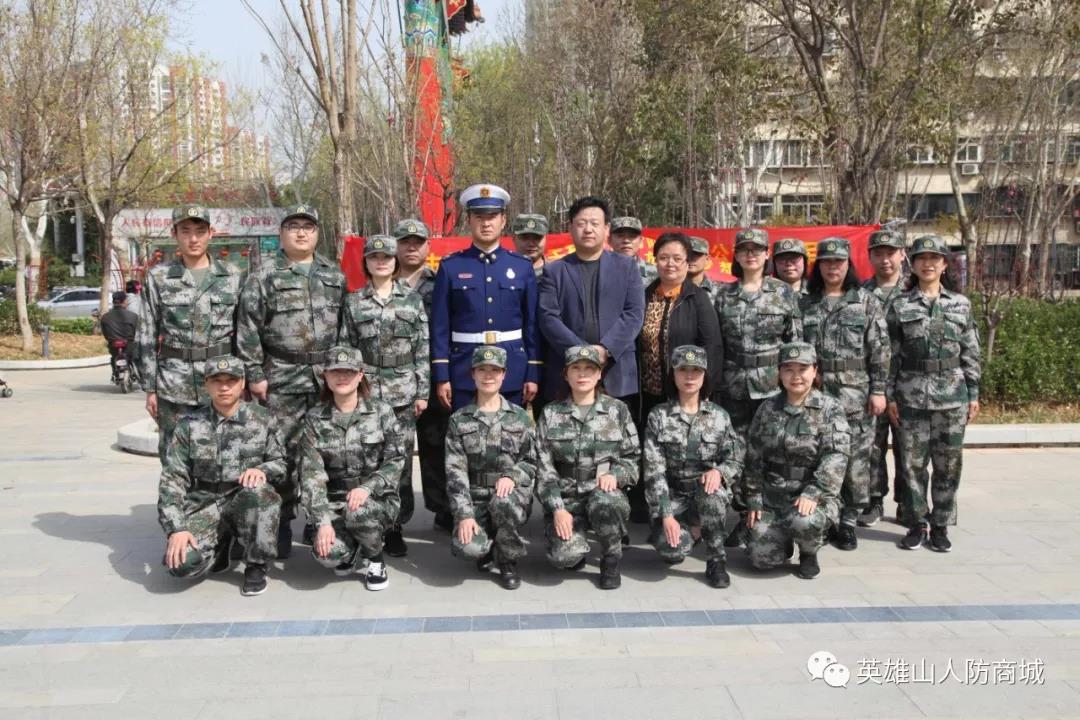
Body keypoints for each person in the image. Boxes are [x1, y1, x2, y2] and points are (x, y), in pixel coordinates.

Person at [235, 203, 347, 558]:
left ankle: (319, 519)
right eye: (294, 226)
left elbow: (345, 328)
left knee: (327, 452)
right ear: (281, 233)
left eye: (308, 227)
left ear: (317, 233)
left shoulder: (334, 275)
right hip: (282, 376)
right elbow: (248, 328)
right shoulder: (264, 275)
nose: (301, 232)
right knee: (281, 452)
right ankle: (281, 521)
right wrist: (254, 374)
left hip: (326, 379)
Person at [158, 355, 284, 596]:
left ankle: (256, 565)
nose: (224, 387)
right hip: (204, 502)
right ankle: (220, 545)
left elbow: (280, 463)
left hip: (243, 500)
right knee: (182, 565)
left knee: (260, 493)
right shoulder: (189, 425)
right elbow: (172, 478)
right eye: (217, 381)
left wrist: (262, 470)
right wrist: (176, 529)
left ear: (243, 383)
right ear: (206, 384)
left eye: (231, 380)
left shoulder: (263, 419)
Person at [886, 234, 980, 552]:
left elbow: (970, 351)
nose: (928, 264)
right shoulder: (900, 305)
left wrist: (973, 392)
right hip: (911, 396)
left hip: (952, 397)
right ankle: (917, 522)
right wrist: (889, 395)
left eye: (934, 258)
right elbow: (890, 355)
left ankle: (940, 523)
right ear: (913, 265)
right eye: (922, 258)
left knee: (948, 464)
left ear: (944, 265)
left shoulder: (960, 304)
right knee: (912, 464)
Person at [341, 234, 428, 557]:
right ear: (365, 262)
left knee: (399, 462)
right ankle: (365, 521)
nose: (381, 262)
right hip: (365, 392)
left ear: (395, 262)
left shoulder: (412, 300)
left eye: (387, 257)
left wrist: (422, 392)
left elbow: (423, 348)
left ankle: (394, 526)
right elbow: (347, 349)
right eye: (374, 257)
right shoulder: (354, 302)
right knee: (365, 458)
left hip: (402, 392)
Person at [800, 238, 889, 551]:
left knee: (856, 460)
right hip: (815, 395)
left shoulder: (865, 301)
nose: (832, 267)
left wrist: (879, 390)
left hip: (855, 395)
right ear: (818, 266)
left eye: (838, 262)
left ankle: (849, 521)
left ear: (848, 265)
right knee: (819, 457)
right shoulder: (807, 303)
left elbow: (880, 350)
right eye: (826, 262)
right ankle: (826, 518)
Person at [714, 227, 801, 547]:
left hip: (772, 386)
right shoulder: (723, 295)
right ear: (736, 256)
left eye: (757, 249)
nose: (751, 255)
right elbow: (716, 343)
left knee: (772, 451)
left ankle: (773, 513)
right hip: (734, 385)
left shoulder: (784, 293)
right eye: (744, 249)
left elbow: (796, 344)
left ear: (767, 255)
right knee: (737, 451)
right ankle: (743, 515)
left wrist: (794, 385)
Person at [137, 206, 243, 460]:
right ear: (174, 234)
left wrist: (244, 379)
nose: (193, 239)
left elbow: (244, 333)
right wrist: (150, 388)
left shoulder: (232, 275)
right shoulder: (158, 277)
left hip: (221, 381)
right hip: (174, 383)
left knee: (223, 454)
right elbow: (146, 333)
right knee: (175, 455)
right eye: (185, 231)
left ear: (211, 233)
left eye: (200, 231)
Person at [298, 346, 406, 591]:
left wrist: (368, 488)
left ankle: (376, 560)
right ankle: (351, 548)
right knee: (327, 555)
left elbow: (396, 460)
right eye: (335, 371)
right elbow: (311, 475)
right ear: (325, 376)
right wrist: (322, 522)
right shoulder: (315, 418)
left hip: (377, 499)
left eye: (348, 371)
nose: (342, 377)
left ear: (360, 375)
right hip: (335, 501)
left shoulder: (381, 412)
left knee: (357, 512)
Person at [535, 345, 640, 589]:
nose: (582, 374)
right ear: (566, 374)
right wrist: (557, 509)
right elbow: (543, 468)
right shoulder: (551, 413)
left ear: (599, 373)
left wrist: (616, 475)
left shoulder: (617, 410)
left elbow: (633, 457)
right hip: (567, 498)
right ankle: (576, 543)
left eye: (589, 368)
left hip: (602, 493)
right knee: (564, 557)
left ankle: (611, 558)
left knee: (608, 501)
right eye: (576, 368)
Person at [430, 183, 541, 412]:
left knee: (510, 431)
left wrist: (532, 370)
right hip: (464, 369)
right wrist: (442, 374)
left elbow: (532, 324)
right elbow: (440, 325)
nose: (486, 223)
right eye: (479, 217)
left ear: (503, 220)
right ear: (468, 220)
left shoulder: (521, 266)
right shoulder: (451, 266)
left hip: (511, 369)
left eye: (492, 216)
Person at [744, 342, 849, 579]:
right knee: (760, 558)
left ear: (815, 370)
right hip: (773, 496)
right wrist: (753, 498)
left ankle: (809, 551)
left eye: (802, 369)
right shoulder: (767, 408)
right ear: (779, 373)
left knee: (805, 521)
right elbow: (753, 457)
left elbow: (836, 456)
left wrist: (814, 491)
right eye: (788, 370)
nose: (796, 376)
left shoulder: (830, 408)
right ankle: (783, 543)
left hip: (811, 496)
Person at [643, 345, 744, 588]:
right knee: (672, 551)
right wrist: (666, 514)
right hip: (673, 496)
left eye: (696, 371)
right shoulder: (659, 416)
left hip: (705, 494)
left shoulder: (719, 416)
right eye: (683, 370)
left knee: (713, 493)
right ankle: (686, 530)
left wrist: (720, 471)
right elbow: (654, 471)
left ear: (704, 376)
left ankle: (716, 560)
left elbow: (735, 458)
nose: (689, 376)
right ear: (673, 375)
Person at [537, 197, 645, 408]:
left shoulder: (626, 267)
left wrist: (606, 349)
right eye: (581, 223)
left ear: (606, 229)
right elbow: (548, 317)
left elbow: (634, 313)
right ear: (570, 228)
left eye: (595, 223)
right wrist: (581, 354)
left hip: (616, 372)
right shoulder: (554, 270)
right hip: (568, 373)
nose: (588, 229)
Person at [444, 346, 537, 590]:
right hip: (475, 496)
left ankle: (508, 559)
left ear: (504, 374)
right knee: (467, 548)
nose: (488, 376)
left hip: (510, 496)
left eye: (494, 370)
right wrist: (464, 515)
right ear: (472, 374)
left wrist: (512, 476)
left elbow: (531, 460)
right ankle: (487, 545)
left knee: (503, 503)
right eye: (482, 370)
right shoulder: (459, 420)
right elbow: (455, 473)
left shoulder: (519, 417)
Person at [395, 218, 453, 532]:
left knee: (436, 444)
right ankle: (396, 514)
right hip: (394, 380)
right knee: (396, 450)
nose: (411, 247)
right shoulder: (383, 284)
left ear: (428, 246)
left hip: (433, 376)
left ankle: (441, 507)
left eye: (418, 242)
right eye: (405, 242)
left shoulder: (440, 282)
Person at [639, 232, 723, 424]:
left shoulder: (698, 298)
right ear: (655, 260)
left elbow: (712, 346)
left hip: (687, 392)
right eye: (664, 258)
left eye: (677, 258)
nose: (670, 264)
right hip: (649, 392)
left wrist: (706, 390)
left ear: (686, 262)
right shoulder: (645, 296)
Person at [860, 228, 910, 527]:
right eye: (878, 254)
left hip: (909, 385)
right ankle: (874, 500)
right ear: (870, 257)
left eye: (890, 253)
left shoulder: (915, 291)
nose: (885, 259)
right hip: (872, 384)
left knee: (907, 447)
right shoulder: (861, 293)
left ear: (902, 254)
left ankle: (906, 502)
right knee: (873, 446)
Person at [100, 290, 139, 380]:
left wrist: (110, 340)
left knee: (113, 357)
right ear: (124, 301)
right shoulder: (133, 316)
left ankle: (115, 372)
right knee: (136, 356)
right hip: (129, 345)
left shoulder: (105, 317)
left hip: (113, 345)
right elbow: (136, 331)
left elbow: (105, 333)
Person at [609, 216, 657, 285]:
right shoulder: (599, 270)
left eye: (632, 236)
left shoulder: (655, 273)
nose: (626, 241)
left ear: (640, 241)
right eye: (620, 236)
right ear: (610, 240)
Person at [511, 213, 549, 278]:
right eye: (525, 237)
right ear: (514, 238)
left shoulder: (557, 273)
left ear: (545, 239)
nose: (531, 244)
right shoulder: (501, 271)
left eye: (537, 237)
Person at [687, 236, 722, 305]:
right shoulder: (671, 287)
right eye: (688, 254)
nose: (691, 258)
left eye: (697, 254)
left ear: (707, 259)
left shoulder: (720, 291)